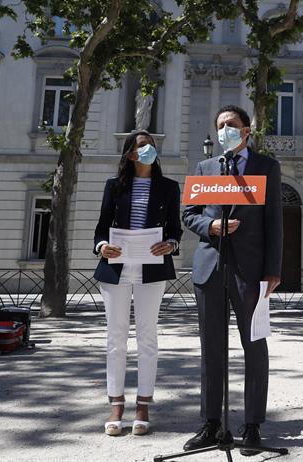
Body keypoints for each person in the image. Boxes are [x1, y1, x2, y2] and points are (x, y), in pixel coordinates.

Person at [182, 105, 283, 455]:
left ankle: (252, 424)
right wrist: (210, 227)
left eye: (232, 125)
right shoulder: (206, 168)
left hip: (251, 271)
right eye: (220, 125)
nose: (225, 129)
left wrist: (273, 270)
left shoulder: (266, 167)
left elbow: (274, 223)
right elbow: (189, 215)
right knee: (211, 349)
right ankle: (211, 422)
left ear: (246, 131)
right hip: (210, 267)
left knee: (254, 346)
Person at [93, 130, 182, 436]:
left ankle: (143, 403)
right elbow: (102, 227)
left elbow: (175, 229)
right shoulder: (114, 186)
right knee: (115, 338)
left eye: (151, 145)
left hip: (152, 268)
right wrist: (102, 246)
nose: (149, 150)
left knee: (147, 336)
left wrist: (170, 244)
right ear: (131, 154)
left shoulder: (169, 187)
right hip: (116, 268)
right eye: (142, 146)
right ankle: (116, 403)